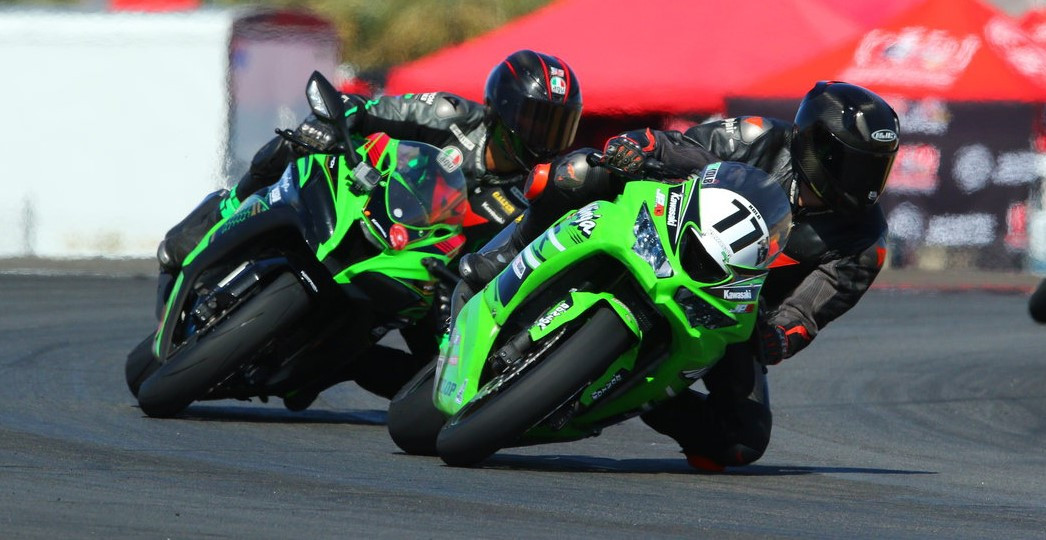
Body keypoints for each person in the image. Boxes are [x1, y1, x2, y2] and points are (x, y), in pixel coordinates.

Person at [457, 80, 899, 471]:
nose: (866, 183)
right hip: (668, 230)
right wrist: (641, 149)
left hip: (731, 305)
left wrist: (778, 336)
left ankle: (646, 394)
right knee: (579, 172)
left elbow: (809, 310)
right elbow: (684, 148)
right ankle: (508, 257)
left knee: (741, 441)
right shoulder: (758, 137)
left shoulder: (865, 243)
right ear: (815, 144)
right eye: (856, 164)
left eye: (877, 167)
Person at [154, 49, 583, 410]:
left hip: (421, 272)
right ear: (503, 109)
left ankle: (341, 361)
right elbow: (368, 111)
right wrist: (335, 120)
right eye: (535, 120)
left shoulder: (526, 200)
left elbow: (505, 257)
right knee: (295, 142)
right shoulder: (449, 115)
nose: (543, 136)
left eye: (556, 125)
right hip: (368, 204)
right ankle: (230, 207)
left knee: (440, 377)